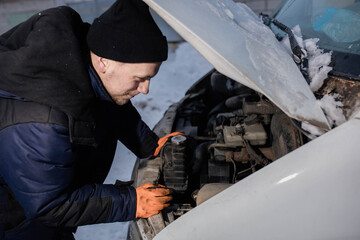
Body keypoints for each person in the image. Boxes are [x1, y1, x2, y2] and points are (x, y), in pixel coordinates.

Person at [0, 0, 177, 239]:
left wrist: (149, 145)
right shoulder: (44, 123)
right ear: (104, 63)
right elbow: (50, 206)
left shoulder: (86, 65)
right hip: (17, 222)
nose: (145, 89)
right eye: (139, 79)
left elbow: (111, 105)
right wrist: (132, 203)